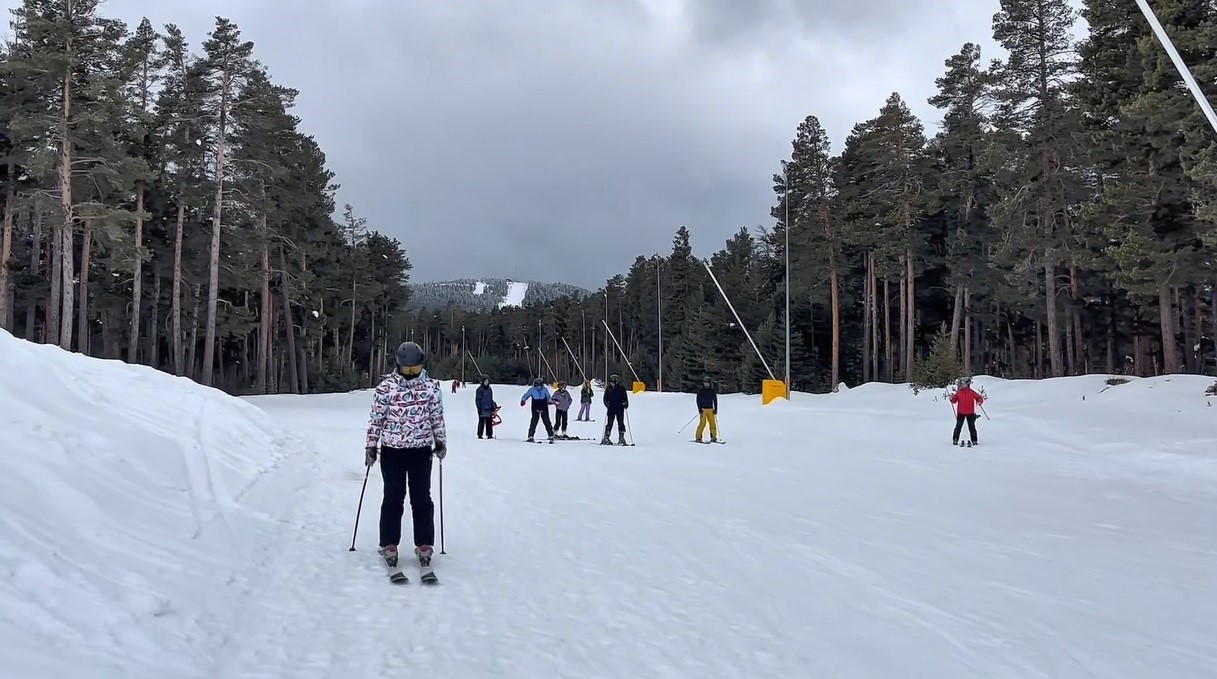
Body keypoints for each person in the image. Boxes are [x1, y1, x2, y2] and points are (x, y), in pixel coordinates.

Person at [364, 341, 446, 569]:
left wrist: (440, 441)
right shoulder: (385, 388)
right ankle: (389, 543)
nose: (411, 375)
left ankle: (424, 544)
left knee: (421, 498)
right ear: (398, 366)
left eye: (415, 370)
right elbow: (376, 420)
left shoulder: (430, 388)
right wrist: (371, 446)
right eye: (407, 370)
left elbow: (437, 418)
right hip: (392, 452)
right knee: (393, 497)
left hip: (420, 451)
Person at [949, 376, 985, 446]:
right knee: (958, 426)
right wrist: (951, 398)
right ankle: (955, 439)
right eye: (961, 384)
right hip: (960, 412)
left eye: (963, 384)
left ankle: (974, 440)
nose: (962, 385)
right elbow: (954, 400)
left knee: (972, 427)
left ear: (967, 384)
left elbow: (979, 398)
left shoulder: (971, 392)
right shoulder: (959, 392)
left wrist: (979, 402)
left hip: (970, 413)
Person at [520, 377, 555, 442]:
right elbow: (526, 395)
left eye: (540, 385)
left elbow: (548, 396)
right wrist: (523, 400)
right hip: (535, 406)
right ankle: (531, 436)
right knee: (534, 421)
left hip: (544, 406)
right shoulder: (532, 389)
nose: (538, 386)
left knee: (546, 421)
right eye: (537, 385)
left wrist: (550, 401)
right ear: (535, 384)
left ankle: (551, 435)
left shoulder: (544, 389)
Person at [600, 374, 629, 445]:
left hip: (620, 408)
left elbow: (625, 398)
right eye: (610, 382)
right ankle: (606, 437)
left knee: (621, 423)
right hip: (611, 409)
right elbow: (605, 398)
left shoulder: (621, 388)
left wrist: (625, 403)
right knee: (610, 423)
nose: (611, 384)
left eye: (612, 382)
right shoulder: (608, 389)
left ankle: (621, 438)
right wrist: (607, 404)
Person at [695, 376, 718, 443]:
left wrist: (716, 409)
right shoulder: (701, 391)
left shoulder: (712, 391)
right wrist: (699, 409)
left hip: (710, 409)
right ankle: (698, 437)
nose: (706, 384)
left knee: (712, 423)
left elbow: (715, 400)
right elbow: (698, 400)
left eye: (707, 383)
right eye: (705, 383)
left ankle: (713, 437)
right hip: (703, 410)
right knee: (702, 423)